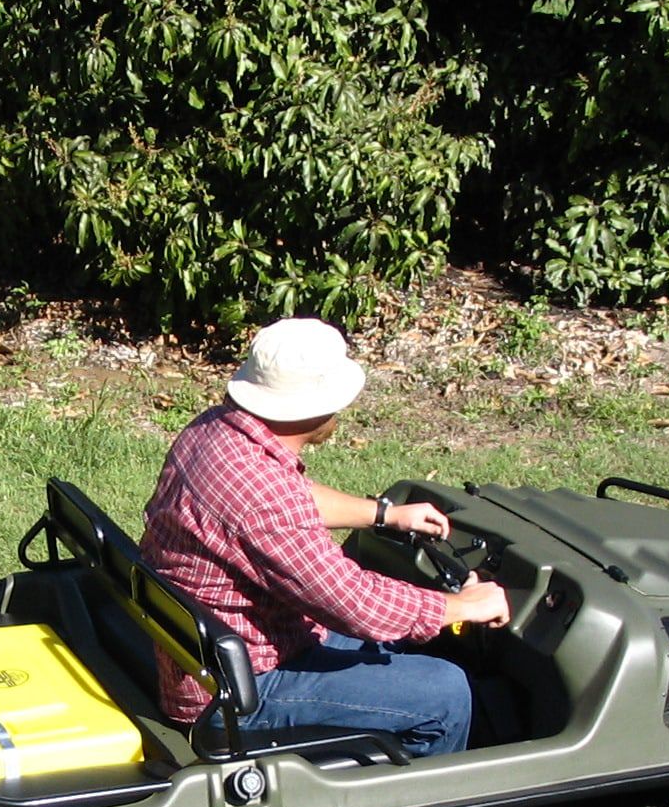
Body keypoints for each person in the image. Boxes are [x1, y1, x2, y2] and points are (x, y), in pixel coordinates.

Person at [139, 316, 510, 756]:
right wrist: (463, 605)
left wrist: (383, 514)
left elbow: (288, 499)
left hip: (219, 654)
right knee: (446, 692)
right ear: (313, 407)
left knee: (394, 642)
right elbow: (356, 605)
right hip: (237, 692)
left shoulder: (217, 430)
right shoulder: (264, 497)